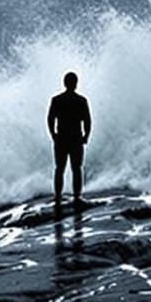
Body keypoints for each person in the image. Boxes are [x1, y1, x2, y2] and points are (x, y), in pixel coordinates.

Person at [47, 70, 91, 209]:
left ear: (65, 83)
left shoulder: (57, 100)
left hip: (61, 139)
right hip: (75, 139)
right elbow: (88, 120)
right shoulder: (81, 100)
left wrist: (53, 134)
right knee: (76, 168)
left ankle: (58, 197)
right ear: (75, 84)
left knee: (60, 169)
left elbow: (50, 119)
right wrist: (86, 136)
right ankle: (77, 197)